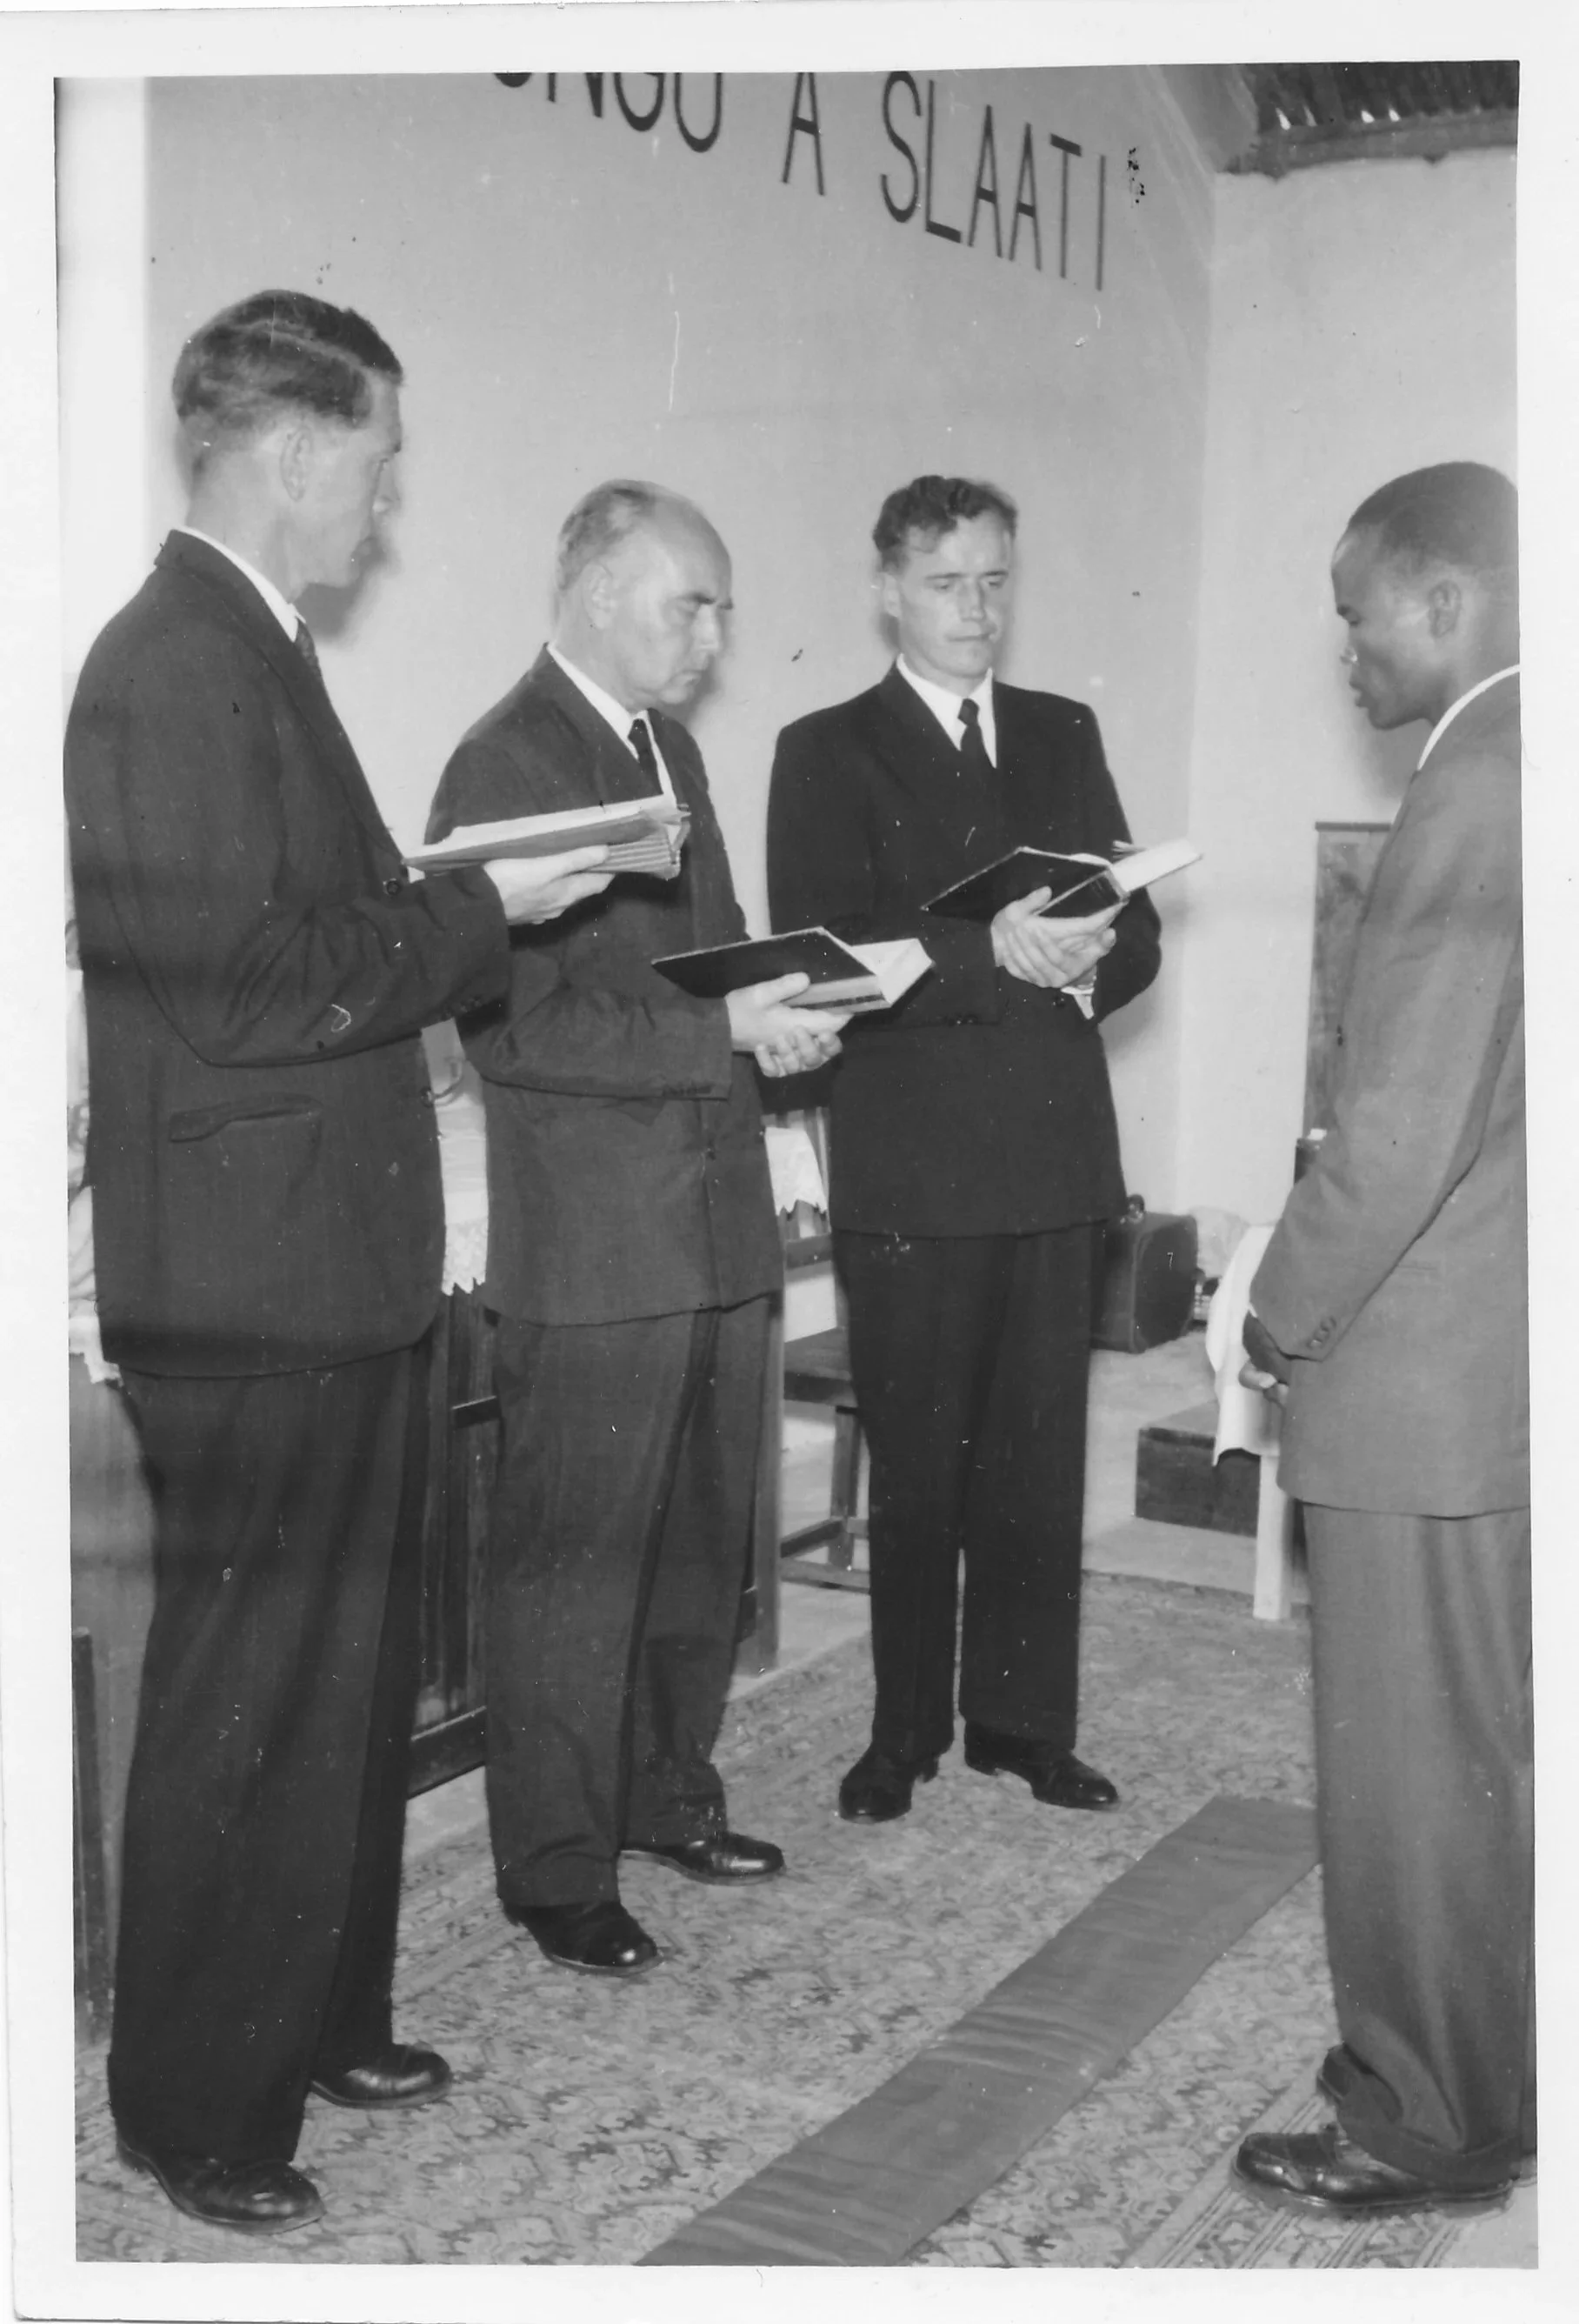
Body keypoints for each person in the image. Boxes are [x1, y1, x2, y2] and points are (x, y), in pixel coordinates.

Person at [65, 290, 613, 2235]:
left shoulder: (254, 650)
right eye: (376, 467)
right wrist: (481, 913)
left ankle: (314, 2020)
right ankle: (193, 2105)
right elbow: (241, 987)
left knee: (343, 1679)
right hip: (251, 1286)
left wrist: (466, 899)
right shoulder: (168, 665)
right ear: (295, 451)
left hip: (327, 1265)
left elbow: (316, 928)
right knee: (252, 1696)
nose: (385, 508)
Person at [426, 482, 845, 1978]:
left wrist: (778, 1018)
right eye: (692, 605)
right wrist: (720, 1034)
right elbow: (512, 1027)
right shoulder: (505, 761)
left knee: (692, 1544)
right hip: (600, 1245)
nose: (714, 638)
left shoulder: (670, 751)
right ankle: (556, 1868)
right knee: (576, 1565)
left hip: (712, 1220)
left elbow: (699, 973)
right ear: (602, 590)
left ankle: (668, 1796)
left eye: (721, 609)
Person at [767, 475, 1161, 1824]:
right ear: (889, 591)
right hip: (915, 1166)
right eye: (947, 584)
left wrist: (1090, 958)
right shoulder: (825, 749)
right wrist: (995, 949)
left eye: (996, 581)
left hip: (1053, 1153)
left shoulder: (1062, 730)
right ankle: (903, 1734)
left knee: (1040, 1462)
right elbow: (825, 946)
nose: (977, 609)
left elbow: (1136, 923)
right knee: (922, 1463)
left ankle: (1023, 1725)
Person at [1234, 462, 1530, 2217]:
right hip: (1499, 1359)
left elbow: (1403, 1126)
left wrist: (1274, 1310)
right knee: (1491, 1751)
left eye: (1355, 617)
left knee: (1417, 1769)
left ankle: (1421, 2116)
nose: (1344, 652)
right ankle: (1493, 2070)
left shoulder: (1479, 781)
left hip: (1425, 1384)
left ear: (1443, 601)